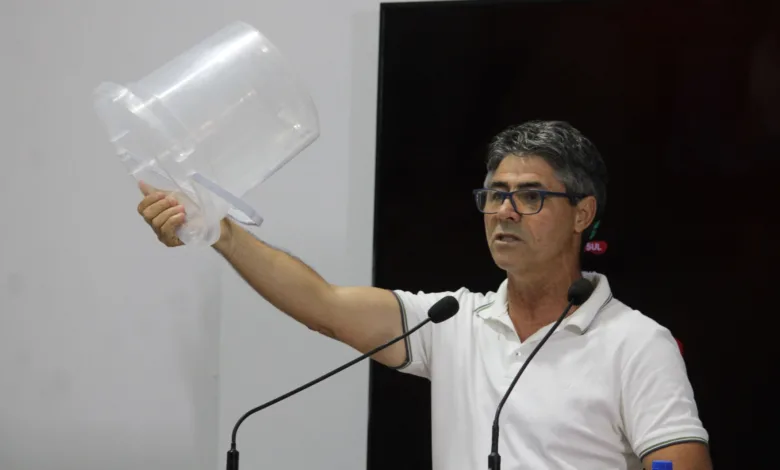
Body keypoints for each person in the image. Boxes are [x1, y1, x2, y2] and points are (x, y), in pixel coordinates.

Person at [136, 120, 712, 470]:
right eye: (495, 194)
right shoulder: (452, 320)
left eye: (530, 196)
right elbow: (324, 307)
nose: (505, 211)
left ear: (582, 214)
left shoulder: (636, 343)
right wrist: (218, 230)